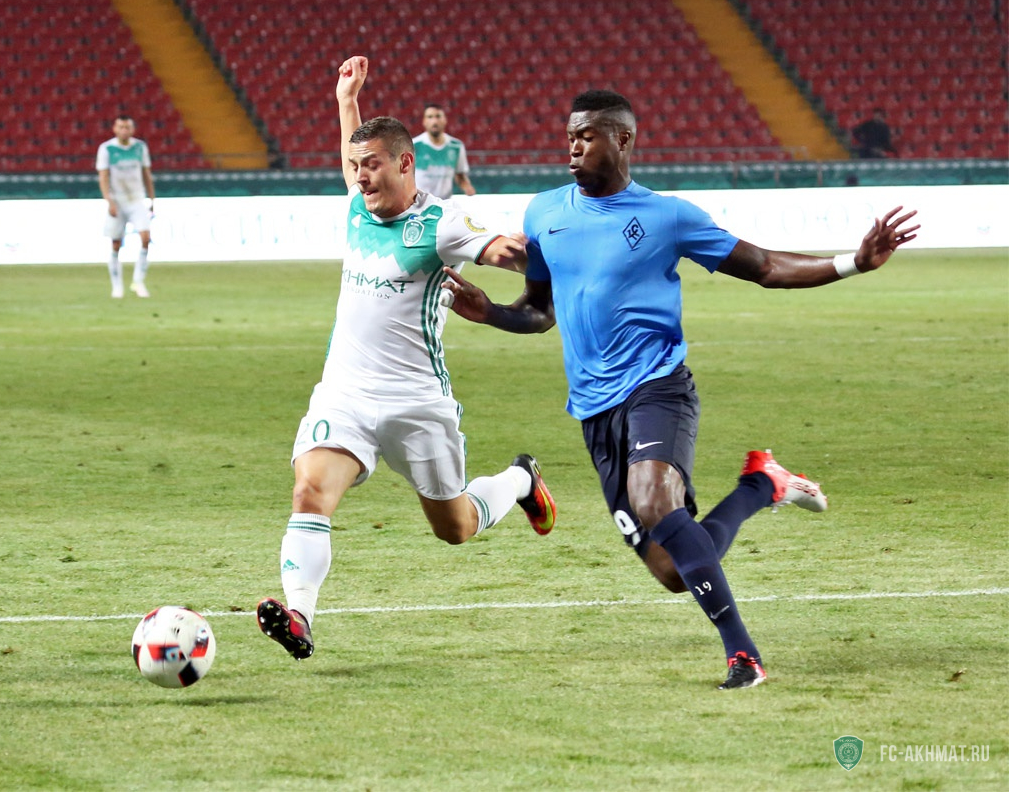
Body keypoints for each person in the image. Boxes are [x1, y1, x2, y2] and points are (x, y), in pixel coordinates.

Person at [443, 90, 919, 689]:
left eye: (586, 136)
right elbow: (539, 312)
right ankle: (762, 484)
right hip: (594, 409)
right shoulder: (544, 213)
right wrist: (490, 313)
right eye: (569, 136)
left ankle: (743, 655)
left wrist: (853, 262)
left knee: (652, 500)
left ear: (623, 140)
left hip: (657, 386)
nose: (573, 147)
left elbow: (765, 267)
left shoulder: (669, 217)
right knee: (673, 569)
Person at [256, 56, 557, 660]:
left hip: (417, 402)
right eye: (355, 166)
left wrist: (533, 255)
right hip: (344, 394)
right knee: (309, 491)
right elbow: (353, 152)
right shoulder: (356, 204)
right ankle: (300, 616)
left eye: (372, 164)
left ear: (405, 162)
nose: (361, 176)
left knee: (455, 528)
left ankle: (521, 479)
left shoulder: (444, 222)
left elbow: (505, 252)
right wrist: (346, 100)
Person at [96, 115, 155, 298]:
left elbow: (146, 173)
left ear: (132, 129)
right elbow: (103, 176)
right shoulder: (107, 149)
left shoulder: (140, 147)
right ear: (115, 129)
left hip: (136, 199)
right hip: (118, 200)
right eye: (121, 127)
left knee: (145, 237)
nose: (124, 130)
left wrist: (152, 198)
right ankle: (117, 286)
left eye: (127, 127)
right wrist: (109, 201)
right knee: (116, 243)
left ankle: (138, 282)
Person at [412, 104, 476, 199]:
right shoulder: (414, 145)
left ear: (445, 120)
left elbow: (460, 175)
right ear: (424, 121)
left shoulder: (456, 146)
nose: (434, 121)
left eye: (438, 116)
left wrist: (467, 187)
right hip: (421, 202)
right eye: (430, 117)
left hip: (445, 203)